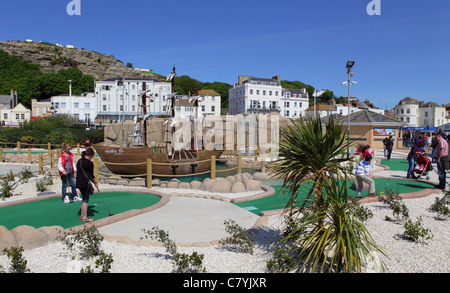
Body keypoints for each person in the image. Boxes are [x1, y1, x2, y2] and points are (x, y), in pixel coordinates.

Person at [76, 147, 99, 222]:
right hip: (85, 183)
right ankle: (85, 218)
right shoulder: (89, 163)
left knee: (83, 198)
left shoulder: (79, 161)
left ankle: (82, 215)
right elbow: (91, 175)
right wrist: (95, 183)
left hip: (79, 182)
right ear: (91, 155)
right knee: (85, 200)